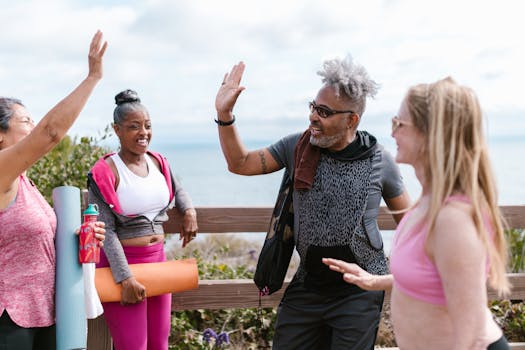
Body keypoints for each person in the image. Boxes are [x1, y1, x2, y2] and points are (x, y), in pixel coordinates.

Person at [215, 55, 411, 349]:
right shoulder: (297, 146)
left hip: (359, 289)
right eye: (313, 107)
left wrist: (407, 279)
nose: (313, 117)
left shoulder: (379, 161)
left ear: (351, 119)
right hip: (308, 284)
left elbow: (410, 226)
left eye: (324, 111)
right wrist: (224, 115)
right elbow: (240, 163)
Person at [323, 77, 511, 350]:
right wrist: (374, 280)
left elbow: (468, 336)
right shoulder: (428, 202)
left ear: (430, 134)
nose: (392, 133)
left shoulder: (452, 220)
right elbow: (430, 278)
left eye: (399, 124)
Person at [0, 31, 107, 350]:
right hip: (9, 321)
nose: (33, 128)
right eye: (26, 120)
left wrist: (80, 236)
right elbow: (51, 133)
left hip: (45, 315)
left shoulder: (25, 183)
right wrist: (93, 77)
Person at [87, 89, 198, 350]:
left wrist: (189, 211)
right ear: (117, 130)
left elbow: (177, 188)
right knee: (133, 346)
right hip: (121, 266)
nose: (143, 133)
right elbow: (106, 231)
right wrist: (124, 279)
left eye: (147, 126)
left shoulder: (159, 162)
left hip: (158, 262)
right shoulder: (104, 172)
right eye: (134, 126)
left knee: (159, 344)